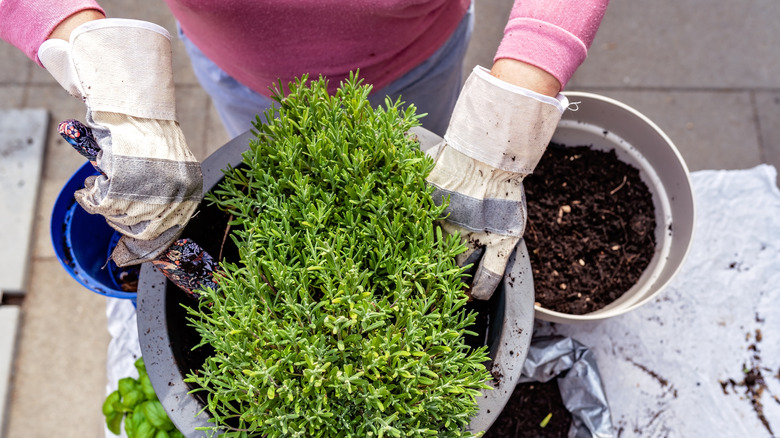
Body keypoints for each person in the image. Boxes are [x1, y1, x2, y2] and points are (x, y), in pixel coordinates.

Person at [0, 0, 608, 300]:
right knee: (274, 173)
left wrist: (513, 107)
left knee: (439, 173)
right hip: (241, 72)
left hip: (420, 61)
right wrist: (94, 54)